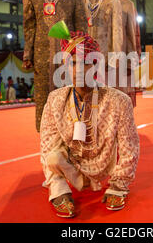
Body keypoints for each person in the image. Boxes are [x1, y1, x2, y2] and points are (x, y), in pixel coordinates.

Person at [41, 30, 139, 218]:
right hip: (70, 162)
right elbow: (47, 145)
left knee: (120, 163)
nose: (78, 69)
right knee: (52, 157)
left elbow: (130, 147)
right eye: (73, 63)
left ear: (95, 66)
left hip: (104, 163)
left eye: (85, 63)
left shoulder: (119, 101)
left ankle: (117, 186)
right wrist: (59, 181)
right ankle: (59, 190)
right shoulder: (55, 99)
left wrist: (119, 183)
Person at [22, 0, 88, 132]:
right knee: (42, 99)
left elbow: (81, 21)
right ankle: (46, 142)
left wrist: (83, 53)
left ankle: (71, 143)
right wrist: (28, 54)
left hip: (68, 54)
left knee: (70, 97)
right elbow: (29, 25)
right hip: (41, 56)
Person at [105, 0, 140, 107]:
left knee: (121, 96)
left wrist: (131, 61)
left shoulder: (128, 5)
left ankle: (123, 127)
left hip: (121, 58)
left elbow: (133, 35)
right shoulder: (97, 4)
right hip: (100, 59)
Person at [85, 0, 123, 72]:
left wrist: (115, 56)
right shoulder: (81, 2)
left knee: (103, 88)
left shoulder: (112, 2)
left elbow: (117, 32)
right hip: (83, 56)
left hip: (104, 58)